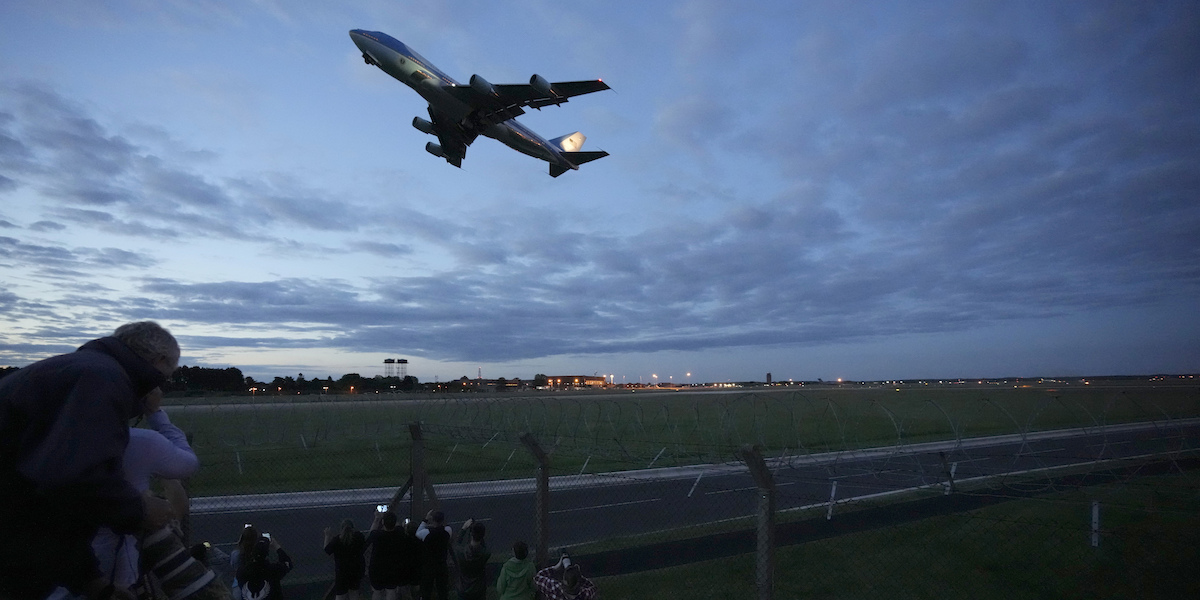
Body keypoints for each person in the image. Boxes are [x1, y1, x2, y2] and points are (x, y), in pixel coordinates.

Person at [0, 321, 180, 599]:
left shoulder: (84, 371)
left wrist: (93, 583)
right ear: (160, 360)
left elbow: (47, 505)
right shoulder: (102, 378)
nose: (161, 386)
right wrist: (139, 509)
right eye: (167, 376)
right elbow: (72, 479)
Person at [325, 519, 367, 600]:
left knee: (340, 595)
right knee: (354, 593)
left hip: (342, 572)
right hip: (355, 570)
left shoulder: (337, 540)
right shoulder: (358, 537)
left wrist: (327, 535)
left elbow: (327, 550)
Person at [415, 510, 452, 600]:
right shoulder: (447, 531)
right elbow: (446, 527)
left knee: (426, 589)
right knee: (442, 589)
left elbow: (417, 533)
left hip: (429, 565)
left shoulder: (426, 533)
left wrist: (425, 520)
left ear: (432, 520)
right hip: (441, 563)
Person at [365, 510, 402, 600]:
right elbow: (398, 525)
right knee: (391, 590)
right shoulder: (399, 533)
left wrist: (377, 519)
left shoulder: (377, 535)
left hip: (377, 568)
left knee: (377, 591)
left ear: (383, 522)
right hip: (393, 567)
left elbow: (371, 534)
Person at [534, 551, 598, 600]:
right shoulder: (585, 594)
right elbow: (592, 587)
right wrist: (578, 575)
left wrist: (555, 567)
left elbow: (538, 577)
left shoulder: (555, 589)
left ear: (564, 580)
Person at [452, 518, 490, 600]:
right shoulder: (485, 554)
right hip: (478, 591)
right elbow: (483, 547)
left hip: (463, 589)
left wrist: (464, 528)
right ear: (483, 535)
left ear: (471, 534)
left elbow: (456, 544)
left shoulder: (460, 553)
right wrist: (478, 532)